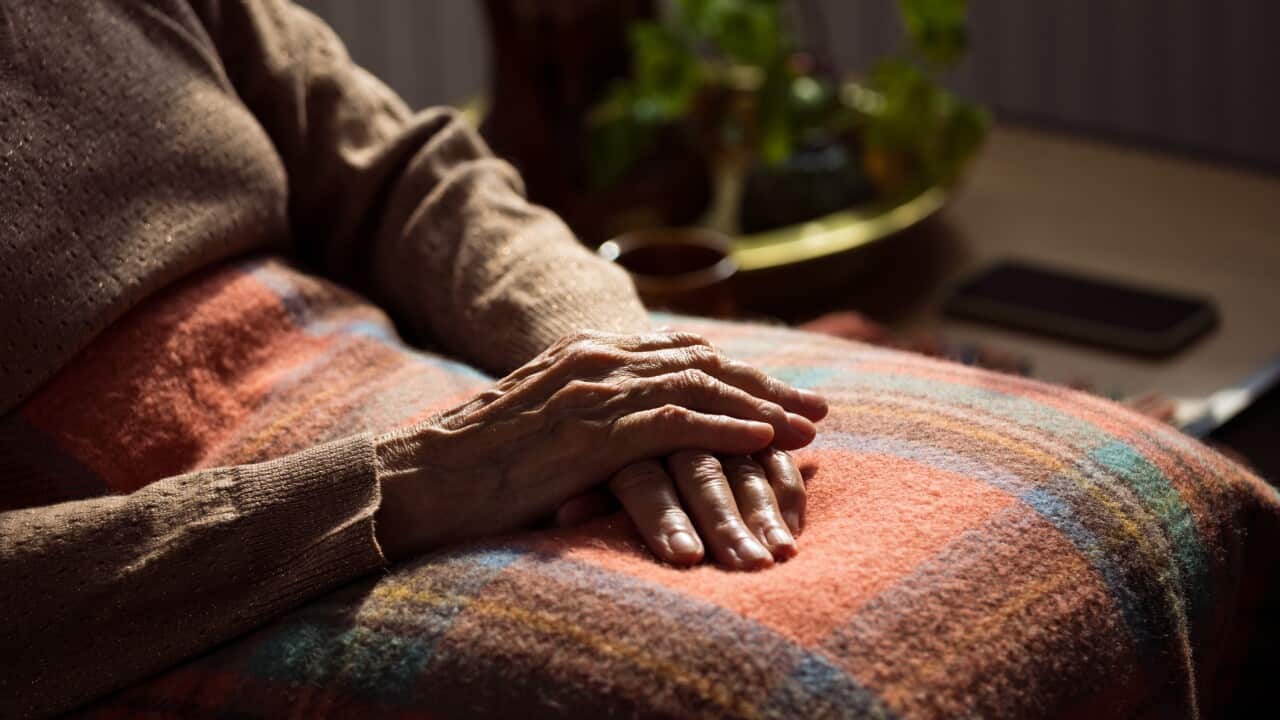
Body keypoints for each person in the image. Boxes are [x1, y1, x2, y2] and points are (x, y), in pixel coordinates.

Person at [0, 0, 827, 715]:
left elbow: (408, 178)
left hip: (442, 398)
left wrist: (621, 358)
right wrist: (409, 482)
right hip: (191, 588)